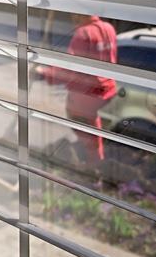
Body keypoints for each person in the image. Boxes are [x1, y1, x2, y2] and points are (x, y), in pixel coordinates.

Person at [36, 14, 118, 166]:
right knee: (91, 124)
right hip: (106, 89)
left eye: (74, 14)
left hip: (88, 93)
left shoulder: (83, 33)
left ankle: (92, 162)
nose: (72, 18)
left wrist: (44, 73)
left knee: (80, 122)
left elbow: (70, 68)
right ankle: (97, 157)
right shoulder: (108, 28)